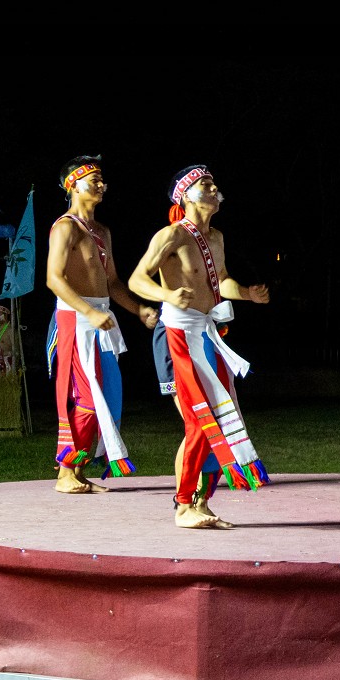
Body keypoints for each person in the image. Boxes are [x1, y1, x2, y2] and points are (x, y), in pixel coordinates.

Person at [128, 164, 270, 529]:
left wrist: (247, 295)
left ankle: (202, 502)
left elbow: (221, 282)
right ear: (187, 195)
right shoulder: (172, 236)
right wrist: (167, 294)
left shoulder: (217, 238)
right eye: (206, 184)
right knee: (198, 422)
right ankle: (182, 505)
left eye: (213, 183)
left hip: (207, 336)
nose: (214, 188)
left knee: (221, 421)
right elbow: (136, 279)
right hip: (177, 335)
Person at [46, 155, 160, 494]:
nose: (100, 184)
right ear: (73, 184)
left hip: (102, 319)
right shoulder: (64, 227)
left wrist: (138, 310)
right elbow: (54, 278)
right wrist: (89, 312)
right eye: (93, 179)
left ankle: (77, 472)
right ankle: (65, 472)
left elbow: (111, 282)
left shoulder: (103, 232)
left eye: (101, 179)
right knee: (86, 397)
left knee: (107, 397)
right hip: (75, 319)